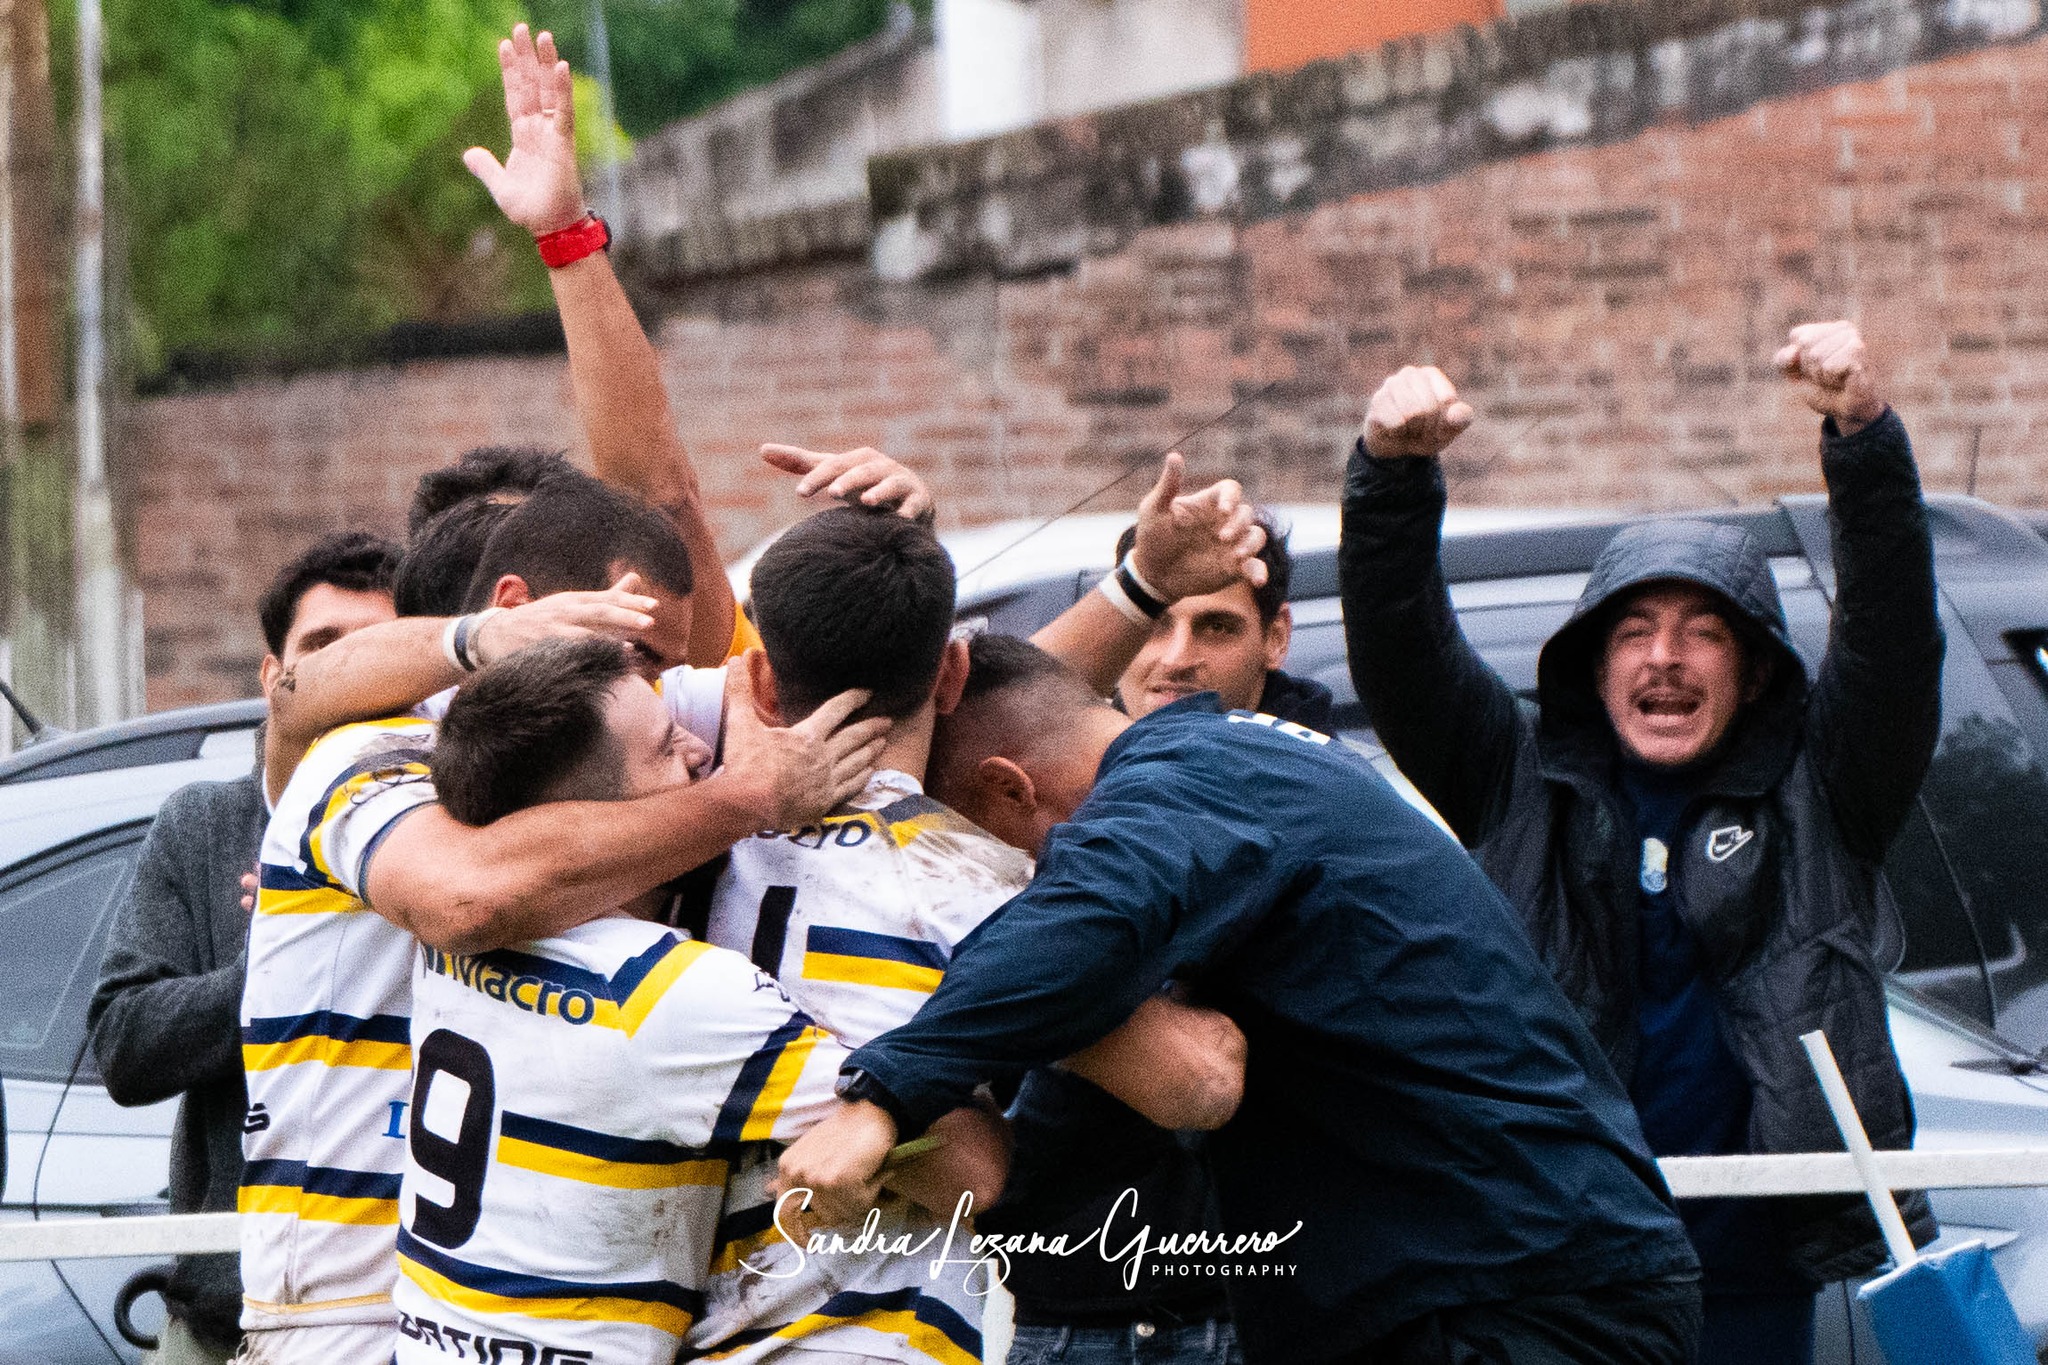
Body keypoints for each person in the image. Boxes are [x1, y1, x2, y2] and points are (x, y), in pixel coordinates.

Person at [776, 634, 1705, 1365]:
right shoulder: (1235, 763)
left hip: (1513, 1297)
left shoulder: (1179, 787)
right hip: (1491, 1280)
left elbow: (1075, 927)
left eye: (988, 852)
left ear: (1009, 788)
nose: (1014, 878)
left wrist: (882, 1096)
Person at [1335, 321, 1942, 1363]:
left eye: (1701, 631)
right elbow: (1401, 649)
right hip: (1549, 1275)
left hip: (1749, 1284)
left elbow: (1889, 642)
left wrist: (1863, 437)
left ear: (1751, 671)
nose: (1663, 658)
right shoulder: (1514, 784)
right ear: (1588, 662)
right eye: (1631, 630)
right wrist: (1389, 478)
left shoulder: (1821, 793)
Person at [237, 479, 888, 1365]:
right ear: (522, 610)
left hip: (504, 1308)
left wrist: (900, 543)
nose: (667, 690)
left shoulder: (618, 711)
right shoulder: (370, 754)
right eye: (643, 653)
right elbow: (463, 896)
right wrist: (744, 798)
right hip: (344, 1317)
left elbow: (887, 691)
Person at [689, 506, 1249, 1362]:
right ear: (952, 673)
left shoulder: (682, 837)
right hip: (869, 1341)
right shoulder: (967, 879)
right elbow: (1193, 1084)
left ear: (762, 682)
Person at [389, 638, 1008, 1365]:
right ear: (589, 814)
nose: (700, 751)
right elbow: (971, 1172)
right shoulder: (668, 997)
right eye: (664, 747)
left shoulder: (436, 940)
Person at [87, 531, 400, 1365]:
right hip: (222, 1325)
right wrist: (293, 953)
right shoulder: (204, 825)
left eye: (375, 650)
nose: (345, 671)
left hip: (395, 1321)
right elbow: (123, 1045)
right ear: (272, 676)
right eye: (321, 645)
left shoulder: (442, 840)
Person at [1109, 509, 1331, 728]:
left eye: (1217, 628)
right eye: (1151, 622)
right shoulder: (1085, 753)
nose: (1176, 660)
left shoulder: (1329, 764)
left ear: (1276, 638)